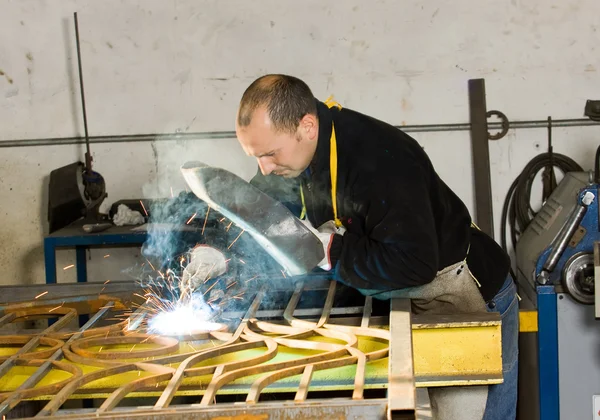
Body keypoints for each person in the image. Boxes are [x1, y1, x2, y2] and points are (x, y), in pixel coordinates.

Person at [230, 74, 519, 419]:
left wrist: (329, 252)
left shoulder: (379, 161)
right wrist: (219, 249)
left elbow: (415, 263)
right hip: (407, 293)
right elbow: (260, 203)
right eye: (256, 157)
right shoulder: (298, 153)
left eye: (270, 154)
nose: (264, 167)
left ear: (307, 126)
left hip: (462, 291)